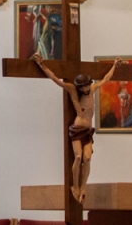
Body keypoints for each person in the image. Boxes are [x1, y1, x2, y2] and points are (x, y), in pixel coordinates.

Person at [33, 54, 123, 203]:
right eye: (83, 86)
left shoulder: (92, 89)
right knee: (79, 157)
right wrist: (41, 64)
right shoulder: (72, 90)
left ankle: (83, 188)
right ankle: (75, 186)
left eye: (87, 85)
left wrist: (114, 65)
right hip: (77, 128)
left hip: (88, 130)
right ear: (79, 87)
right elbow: (55, 78)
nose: (86, 88)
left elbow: (106, 78)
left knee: (87, 158)